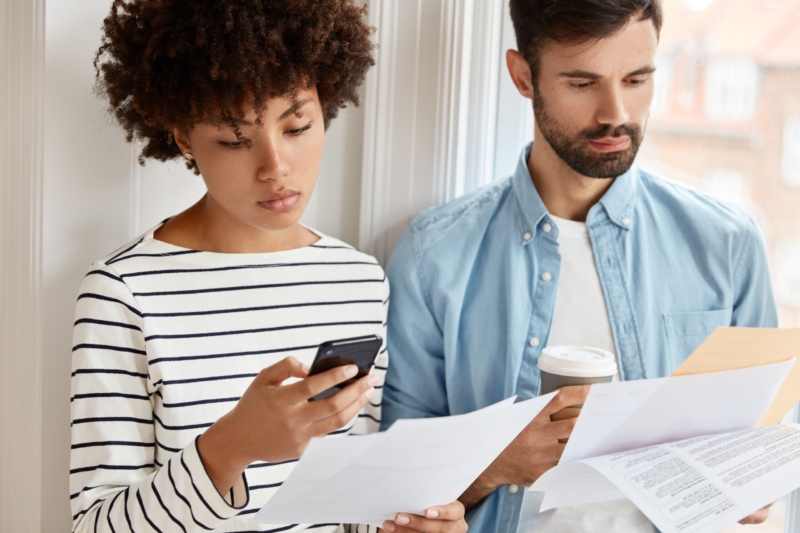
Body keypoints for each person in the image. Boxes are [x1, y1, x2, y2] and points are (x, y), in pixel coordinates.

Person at [69, 1, 467, 532]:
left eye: (297, 126)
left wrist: (404, 522)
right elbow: (94, 526)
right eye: (235, 139)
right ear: (184, 137)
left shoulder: (358, 280)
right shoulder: (122, 293)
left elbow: (354, 503)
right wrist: (230, 447)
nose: (276, 168)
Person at [381, 0, 777, 531]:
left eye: (637, 79)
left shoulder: (728, 244)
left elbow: (765, 452)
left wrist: (753, 483)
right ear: (523, 77)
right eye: (582, 83)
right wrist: (496, 465)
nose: (615, 111)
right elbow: (394, 482)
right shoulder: (434, 256)